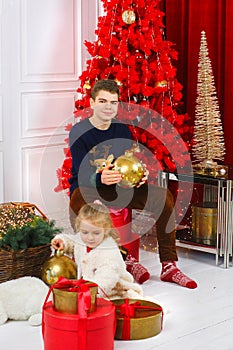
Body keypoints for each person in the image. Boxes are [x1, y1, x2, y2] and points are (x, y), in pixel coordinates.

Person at [68, 79, 197, 289]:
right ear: (91, 103)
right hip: (88, 188)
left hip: (118, 188)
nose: (108, 106)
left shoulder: (122, 131)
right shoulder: (79, 132)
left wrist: (139, 175)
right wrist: (99, 178)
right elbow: (79, 171)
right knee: (77, 201)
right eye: (102, 101)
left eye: (113, 102)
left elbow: (128, 162)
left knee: (163, 198)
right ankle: (123, 261)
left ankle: (168, 266)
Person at [51, 202, 143, 299]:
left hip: (113, 292)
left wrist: (85, 293)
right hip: (87, 290)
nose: (90, 238)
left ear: (106, 230)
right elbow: (72, 242)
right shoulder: (82, 240)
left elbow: (105, 281)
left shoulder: (109, 252)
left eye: (96, 233)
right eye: (85, 232)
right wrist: (62, 242)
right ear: (79, 229)